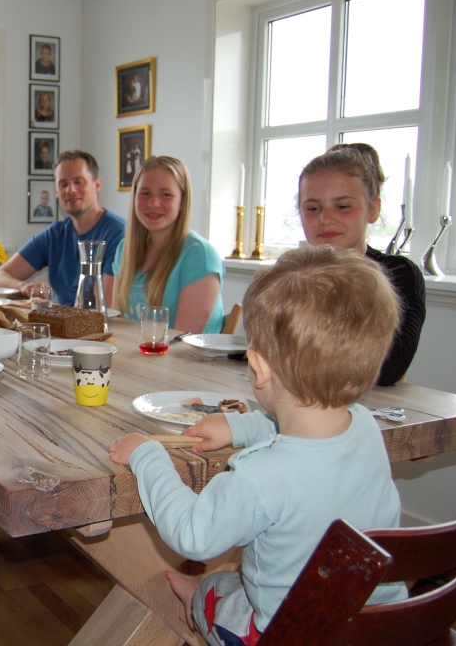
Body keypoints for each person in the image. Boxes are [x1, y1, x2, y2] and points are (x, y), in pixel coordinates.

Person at [108, 246, 407, 644]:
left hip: (291, 635)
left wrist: (148, 455)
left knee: (217, 584)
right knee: (239, 575)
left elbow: (193, 535)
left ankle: (199, 600)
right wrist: (238, 426)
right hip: (383, 627)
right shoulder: (366, 427)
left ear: (259, 367)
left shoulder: (260, 478)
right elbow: (304, 440)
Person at [298, 143, 426, 385]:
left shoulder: (399, 275)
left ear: (373, 209)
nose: (326, 219)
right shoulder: (290, 275)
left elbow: (387, 369)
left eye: (343, 206)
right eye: (313, 208)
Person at [0, 150, 125, 305]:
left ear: (97, 185)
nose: (70, 190)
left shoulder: (118, 234)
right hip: (61, 323)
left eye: (78, 182)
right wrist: (23, 287)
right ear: (56, 191)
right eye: (63, 184)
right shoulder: (55, 234)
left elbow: (108, 308)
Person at [112, 156, 225, 333]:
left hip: (184, 359)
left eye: (166, 195)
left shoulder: (200, 255)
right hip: (133, 357)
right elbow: (117, 326)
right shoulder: (124, 249)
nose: (153, 203)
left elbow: (182, 341)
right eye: (145, 193)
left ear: (182, 201)